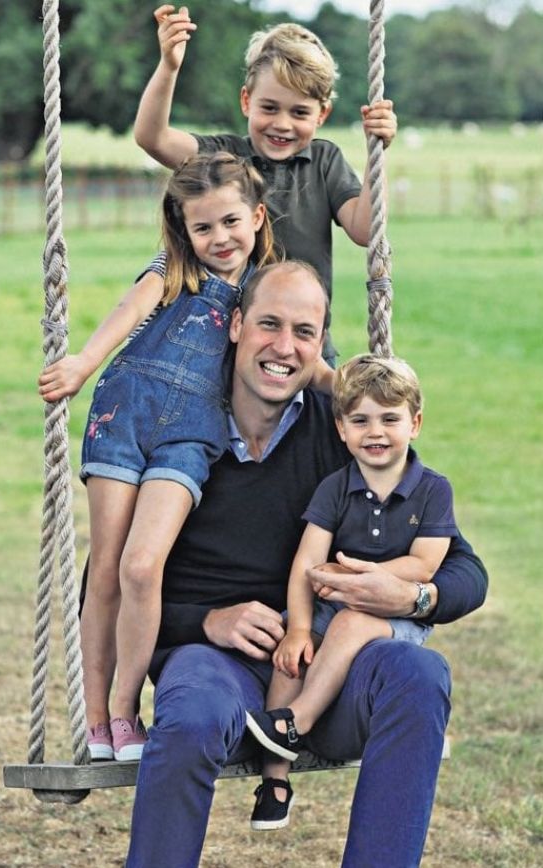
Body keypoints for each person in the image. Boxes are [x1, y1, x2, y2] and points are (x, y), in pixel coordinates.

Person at [122, 261, 488, 867]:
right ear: (236, 324)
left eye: (305, 331)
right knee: (188, 714)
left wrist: (410, 599)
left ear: (321, 346)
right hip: (219, 669)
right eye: (269, 324)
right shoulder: (181, 430)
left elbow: (464, 572)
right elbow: (107, 590)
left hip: (331, 670)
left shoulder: (343, 433)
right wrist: (207, 622)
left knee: (418, 677)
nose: (284, 348)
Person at [38, 152, 281, 762]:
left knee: (144, 567)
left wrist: (351, 387)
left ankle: (125, 709)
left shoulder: (264, 287)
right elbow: (129, 312)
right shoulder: (174, 267)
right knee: (108, 568)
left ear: (255, 216)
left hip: (192, 433)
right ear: (185, 229)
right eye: (203, 227)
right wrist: (83, 363)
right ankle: (98, 721)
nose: (218, 238)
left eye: (229, 222)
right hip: (125, 412)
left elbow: (291, 350)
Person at [245, 353, 459, 831]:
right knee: (289, 655)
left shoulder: (432, 491)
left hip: (396, 614)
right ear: (341, 429)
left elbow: (426, 564)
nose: (376, 432)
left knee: (351, 621)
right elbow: (306, 563)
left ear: (415, 423)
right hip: (333, 599)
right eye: (360, 420)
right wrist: (299, 628)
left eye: (390, 419)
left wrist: (367, 579)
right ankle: (275, 779)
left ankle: (296, 720)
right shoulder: (335, 488)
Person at [134, 8, 397, 362]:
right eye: (269, 108)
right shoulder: (224, 158)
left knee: (321, 413)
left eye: (300, 113)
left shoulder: (325, 161)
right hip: (230, 350)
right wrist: (169, 65)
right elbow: (153, 138)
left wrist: (375, 154)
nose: (282, 124)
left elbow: (365, 230)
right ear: (246, 101)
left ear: (322, 115)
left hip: (306, 347)